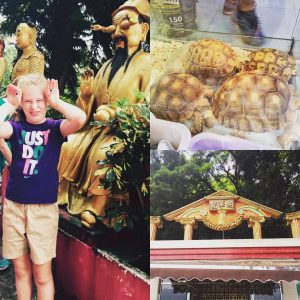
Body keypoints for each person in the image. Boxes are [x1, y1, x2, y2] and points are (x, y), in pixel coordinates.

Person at [58, 0, 150, 228]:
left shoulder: (149, 63)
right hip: (97, 130)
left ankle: (97, 208)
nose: (117, 33)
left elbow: (150, 108)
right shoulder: (106, 66)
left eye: (125, 26)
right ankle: (60, 195)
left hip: (126, 133)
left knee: (105, 152)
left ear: (144, 29)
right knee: (67, 143)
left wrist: (116, 113)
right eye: (115, 27)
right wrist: (86, 96)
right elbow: (85, 113)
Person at [0, 73, 86, 299]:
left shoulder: (55, 129)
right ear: (22, 103)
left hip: (43, 211)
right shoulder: (14, 128)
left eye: (39, 100)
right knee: (20, 270)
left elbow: (79, 118)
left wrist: (57, 102)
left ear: (46, 102)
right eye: (28, 101)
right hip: (14, 208)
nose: (34, 106)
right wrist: (9, 105)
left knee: (42, 274)